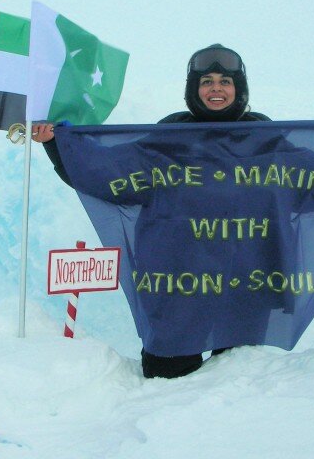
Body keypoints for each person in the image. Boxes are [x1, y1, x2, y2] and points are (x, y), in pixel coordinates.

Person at [31, 44, 270, 378]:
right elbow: (110, 174)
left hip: (242, 284)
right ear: (194, 89)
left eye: (225, 81)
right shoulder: (169, 135)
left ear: (239, 89)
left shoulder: (264, 137)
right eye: (207, 81)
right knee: (165, 382)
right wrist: (58, 143)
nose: (216, 88)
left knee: (236, 381)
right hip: (176, 283)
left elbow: (309, 179)